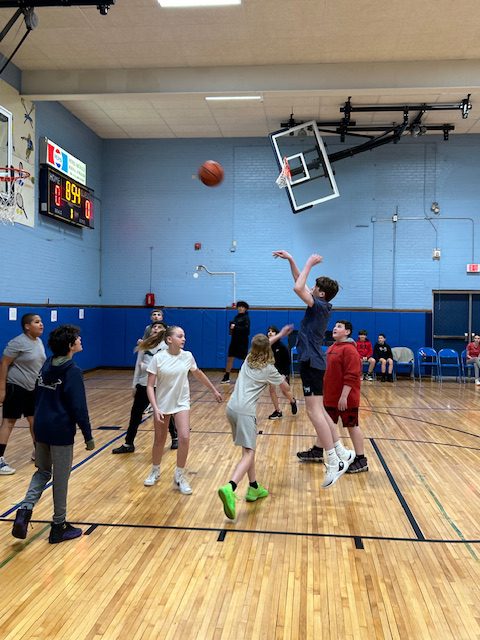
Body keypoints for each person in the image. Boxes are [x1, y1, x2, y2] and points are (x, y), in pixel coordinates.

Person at [273, 250, 353, 488]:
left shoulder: (318, 306)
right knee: (319, 411)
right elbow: (301, 283)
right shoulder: (320, 303)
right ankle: (341, 451)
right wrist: (292, 261)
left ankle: (332, 460)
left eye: (315, 287)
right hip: (315, 360)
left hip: (311, 361)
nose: (311, 288)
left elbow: (298, 289)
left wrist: (309, 262)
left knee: (313, 412)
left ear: (321, 293)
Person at [11, 325, 95, 544]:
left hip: (41, 428)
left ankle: (24, 511)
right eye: (77, 338)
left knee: (42, 472)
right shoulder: (72, 371)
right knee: (61, 478)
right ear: (70, 345)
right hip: (60, 432)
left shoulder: (47, 364)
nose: (80, 340)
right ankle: (58, 526)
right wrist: (88, 435)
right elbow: (79, 407)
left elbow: (37, 395)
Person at [218, 327, 296, 520]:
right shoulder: (269, 369)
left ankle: (253, 487)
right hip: (245, 412)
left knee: (247, 449)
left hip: (231, 408)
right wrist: (292, 398)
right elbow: (285, 388)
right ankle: (231, 487)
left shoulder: (248, 358)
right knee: (250, 453)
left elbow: (262, 345)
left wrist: (279, 335)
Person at [144, 325, 223, 493]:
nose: (184, 339)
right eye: (180, 336)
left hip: (181, 402)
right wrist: (155, 407)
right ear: (169, 339)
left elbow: (199, 374)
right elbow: (150, 386)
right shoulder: (158, 358)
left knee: (185, 438)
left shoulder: (187, 356)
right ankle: (155, 470)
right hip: (162, 404)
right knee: (159, 439)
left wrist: (214, 390)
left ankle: (179, 475)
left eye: (184, 336)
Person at [112, 322, 177, 454]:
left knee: (165, 414)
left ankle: (175, 437)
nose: (156, 329)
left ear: (165, 331)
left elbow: (164, 368)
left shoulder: (167, 347)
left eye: (159, 327)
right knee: (135, 414)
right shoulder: (144, 345)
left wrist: (145, 367)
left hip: (160, 385)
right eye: (154, 327)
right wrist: (134, 384)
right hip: (143, 385)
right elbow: (138, 366)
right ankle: (128, 443)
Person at [0, 313, 46, 475]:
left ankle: (39, 454)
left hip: (32, 388)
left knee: (34, 421)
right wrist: (2, 389)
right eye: (37, 322)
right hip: (15, 386)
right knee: (9, 422)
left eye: (41, 322)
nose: (41, 324)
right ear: (27, 326)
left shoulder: (39, 341)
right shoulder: (18, 342)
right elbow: (4, 363)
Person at [324, 320, 368, 474]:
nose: (335, 328)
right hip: (330, 397)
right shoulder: (331, 348)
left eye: (339, 326)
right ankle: (321, 452)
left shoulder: (350, 350)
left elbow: (352, 375)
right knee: (326, 425)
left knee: (351, 426)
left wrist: (344, 396)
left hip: (346, 398)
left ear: (347, 332)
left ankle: (361, 459)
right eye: (335, 326)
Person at [266, 325, 297, 419]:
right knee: (271, 390)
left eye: (273, 331)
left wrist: (284, 374)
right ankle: (278, 411)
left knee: (285, 391)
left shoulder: (282, 347)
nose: (270, 333)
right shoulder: (266, 346)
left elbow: (287, 362)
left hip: (282, 371)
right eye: (269, 331)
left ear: (277, 333)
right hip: (271, 371)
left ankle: (292, 401)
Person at [221, 301, 250, 384]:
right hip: (234, 341)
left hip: (242, 341)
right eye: (239, 307)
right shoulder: (236, 317)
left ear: (245, 308)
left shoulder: (246, 318)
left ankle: (246, 376)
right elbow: (231, 330)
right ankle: (226, 376)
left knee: (244, 359)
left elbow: (246, 330)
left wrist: (236, 327)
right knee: (230, 358)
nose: (240, 308)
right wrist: (231, 328)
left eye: (242, 307)